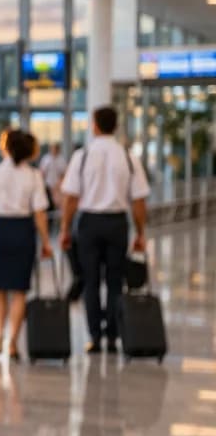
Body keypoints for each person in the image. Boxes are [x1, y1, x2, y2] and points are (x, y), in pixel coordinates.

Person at [59, 106, 150, 354]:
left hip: (89, 223)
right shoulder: (128, 157)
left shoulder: (83, 155)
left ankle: (94, 337)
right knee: (114, 280)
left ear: (95, 125)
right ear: (116, 126)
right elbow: (139, 201)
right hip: (118, 223)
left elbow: (70, 198)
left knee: (90, 281)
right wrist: (141, 233)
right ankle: (112, 336)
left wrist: (65, 228)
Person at [0, 130, 53, 360]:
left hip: (0, 230)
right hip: (23, 231)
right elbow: (39, 213)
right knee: (19, 290)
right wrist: (46, 242)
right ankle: (13, 342)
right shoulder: (34, 176)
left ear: (6, 147)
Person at [38, 142, 69, 215]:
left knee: (59, 206)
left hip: (58, 187)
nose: (53, 150)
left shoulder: (61, 160)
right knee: (48, 205)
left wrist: (58, 185)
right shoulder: (46, 159)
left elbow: (64, 174)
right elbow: (42, 173)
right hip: (47, 186)